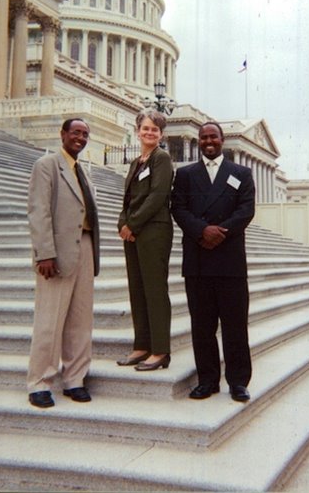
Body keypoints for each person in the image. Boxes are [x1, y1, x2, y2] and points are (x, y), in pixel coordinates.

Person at [171, 122, 255, 402]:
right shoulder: (184, 174)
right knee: (202, 326)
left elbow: (246, 210)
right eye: (204, 137)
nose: (208, 141)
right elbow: (178, 208)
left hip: (229, 259)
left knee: (235, 325)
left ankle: (238, 381)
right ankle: (207, 380)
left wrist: (220, 233)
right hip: (197, 259)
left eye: (213, 137)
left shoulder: (241, 173)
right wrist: (201, 231)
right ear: (198, 141)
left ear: (222, 140)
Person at [26, 118, 100, 408]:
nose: (80, 138)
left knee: (81, 319)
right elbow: (38, 210)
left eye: (84, 134)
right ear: (63, 135)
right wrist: (44, 253)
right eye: (75, 133)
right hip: (56, 251)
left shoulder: (83, 171)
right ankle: (40, 381)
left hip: (85, 246)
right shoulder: (47, 166)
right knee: (50, 319)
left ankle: (75, 378)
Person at [117, 110, 174, 371]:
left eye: (155, 129)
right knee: (137, 290)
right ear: (137, 130)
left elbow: (157, 196)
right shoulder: (136, 162)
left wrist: (133, 224)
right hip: (134, 232)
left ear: (161, 134)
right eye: (146, 128)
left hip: (154, 231)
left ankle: (160, 350)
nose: (149, 132)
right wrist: (122, 223)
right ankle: (141, 346)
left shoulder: (161, 159)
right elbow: (128, 198)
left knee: (154, 290)